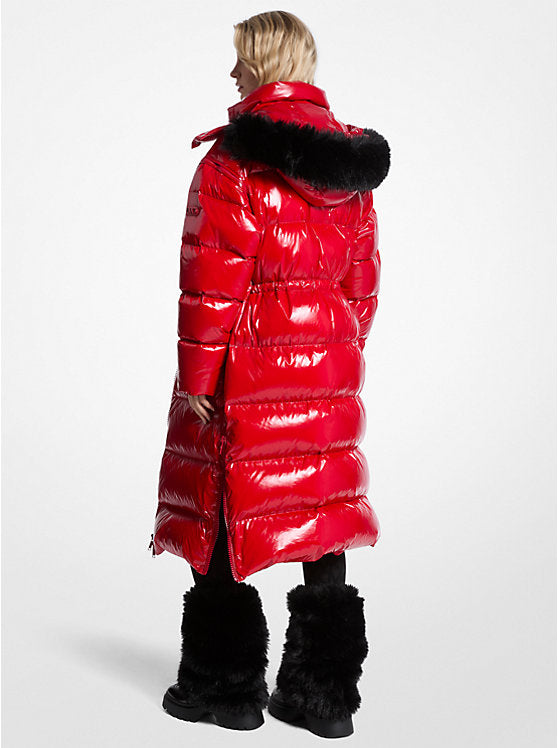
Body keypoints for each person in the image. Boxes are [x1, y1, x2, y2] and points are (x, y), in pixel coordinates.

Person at [148, 9, 390, 738]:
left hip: (244, 370)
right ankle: (323, 700)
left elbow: (210, 285)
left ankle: (224, 690)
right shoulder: (348, 168)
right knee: (322, 515)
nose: (232, 74)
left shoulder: (232, 164)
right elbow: (362, 285)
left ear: (261, 63)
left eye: (240, 59)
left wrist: (198, 378)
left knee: (224, 507)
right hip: (329, 373)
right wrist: (333, 356)